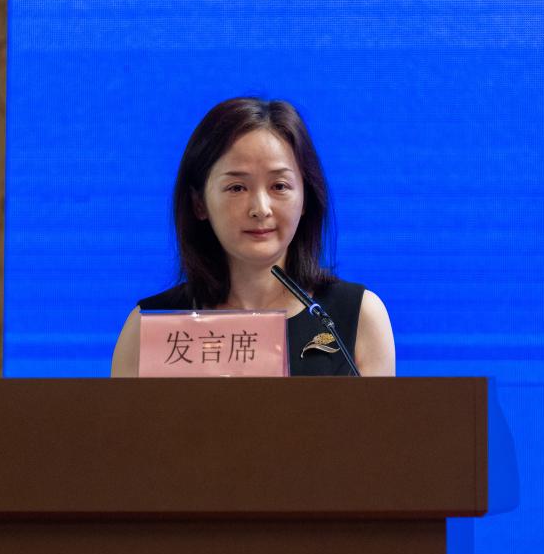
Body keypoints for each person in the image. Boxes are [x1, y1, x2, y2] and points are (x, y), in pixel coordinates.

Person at [111, 97, 395, 376]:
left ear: (306, 197)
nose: (260, 209)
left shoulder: (357, 317)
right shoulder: (147, 329)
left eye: (279, 186)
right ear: (199, 203)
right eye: (237, 187)